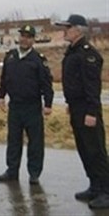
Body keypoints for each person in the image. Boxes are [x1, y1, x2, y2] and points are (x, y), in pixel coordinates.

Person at [56, 14, 109, 209]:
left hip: (88, 109)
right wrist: (71, 103)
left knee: (95, 150)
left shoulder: (88, 54)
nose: (64, 31)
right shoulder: (72, 52)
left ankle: (106, 190)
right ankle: (95, 186)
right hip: (77, 107)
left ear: (78, 30)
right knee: (84, 148)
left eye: (68, 28)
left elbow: (92, 87)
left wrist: (92, 112)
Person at [0, 24, 53, 185]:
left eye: (28, 36)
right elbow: (4, 79)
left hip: (32, 107)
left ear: (33, 40)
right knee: (13, 140)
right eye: (22, 36)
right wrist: (1, 97)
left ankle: (34, 173)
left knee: (35, 142)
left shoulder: (38, 60)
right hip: (15, 106)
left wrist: (48, 103)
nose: (24, 39)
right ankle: (12, 171)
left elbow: (46, 84)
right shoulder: (11, 56)